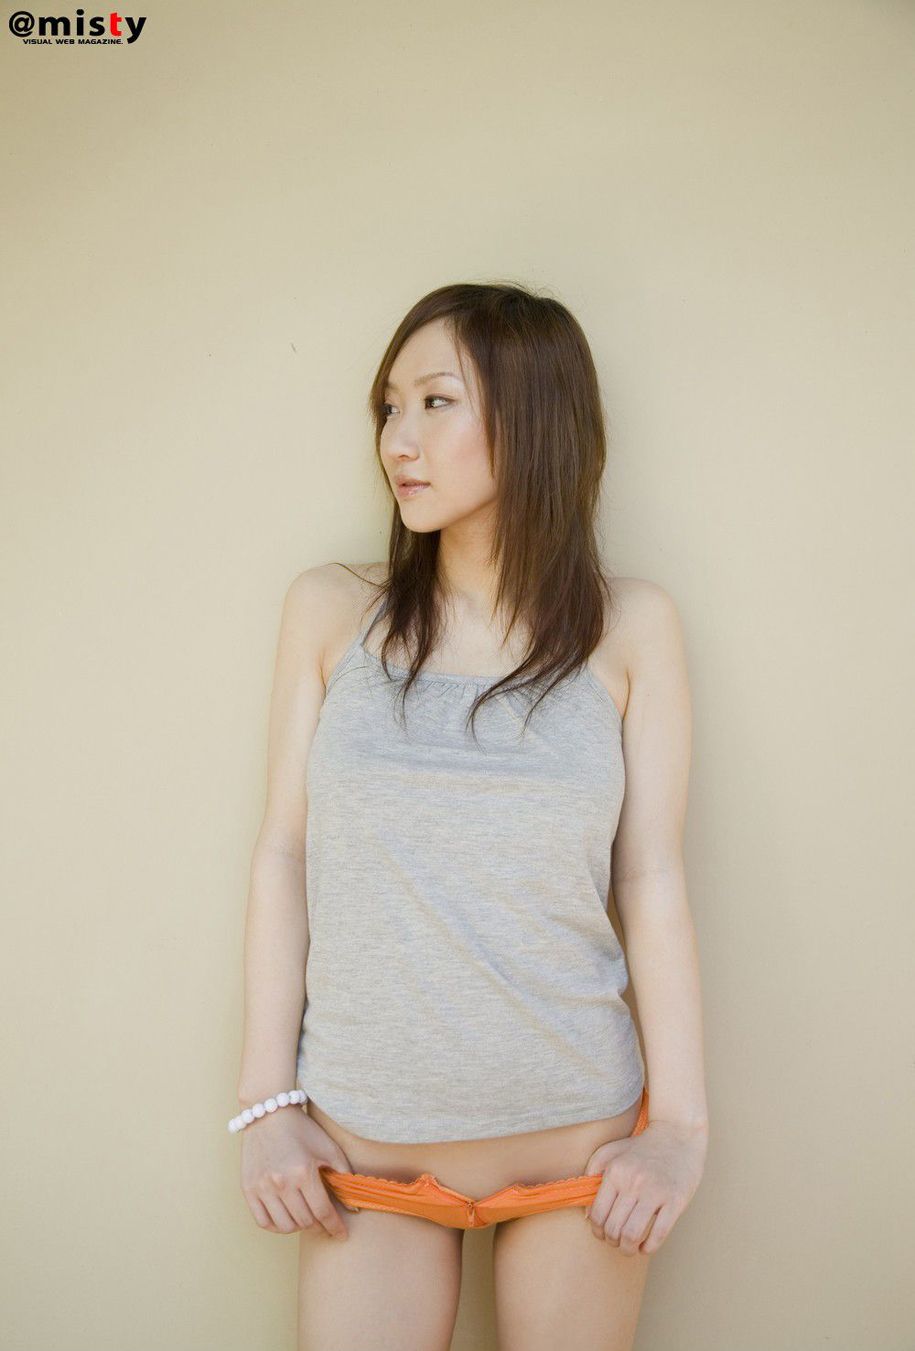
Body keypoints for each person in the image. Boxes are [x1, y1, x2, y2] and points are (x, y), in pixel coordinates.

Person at [233, 282, 709, 1351]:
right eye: (388, 407)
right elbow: (282, 855)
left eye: (435, 401)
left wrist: (680, 1128)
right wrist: (264, 1107)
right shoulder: (330, 610)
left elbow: (652, 880)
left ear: (533, 416)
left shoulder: (632, 627)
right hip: (365, 1154)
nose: (398, 440)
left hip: (579, 1155)